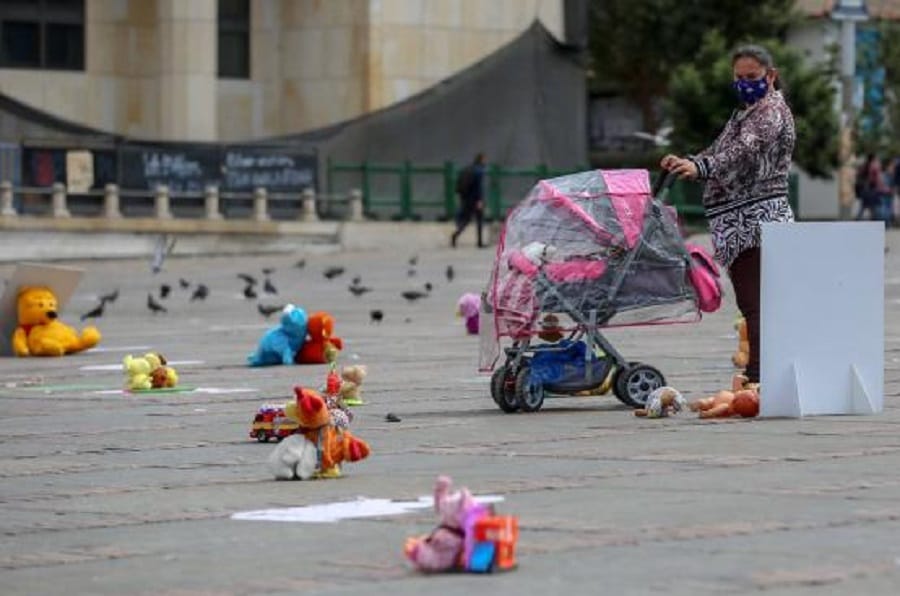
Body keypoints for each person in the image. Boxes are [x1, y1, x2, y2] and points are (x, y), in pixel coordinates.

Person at [660, 44, 795, 389]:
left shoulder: (769, 112)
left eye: (753, 77)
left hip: (755, 222)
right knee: (757, 304)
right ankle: (762, 375)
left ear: (771, 76)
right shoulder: (746, 112)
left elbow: (743, 150)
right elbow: (720, 148)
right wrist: (688, 161)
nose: (745, 84)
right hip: (740, 222)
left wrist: (701, 167)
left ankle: (758, 379)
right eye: (739, 78)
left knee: (756, 305)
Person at [451, 153, 486, 248]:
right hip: (475, 200)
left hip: (467, 199)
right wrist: (479, 200)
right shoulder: (479, 171)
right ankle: (479, 242)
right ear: (481, 160)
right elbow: (478, 188)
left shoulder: (468, 169)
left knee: (466, 220)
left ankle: (456, 234)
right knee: (479, 220)